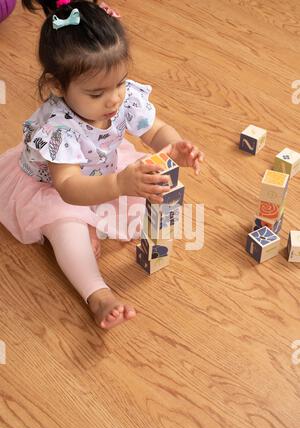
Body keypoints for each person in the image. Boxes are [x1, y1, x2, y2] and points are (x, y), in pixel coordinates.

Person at [0, 0, 204, 329]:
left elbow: (155, 130)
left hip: (104, 168)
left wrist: (175, 146)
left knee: (155, 184)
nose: (114, 99)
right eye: (96, 94)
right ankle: (97, 294)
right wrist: (119, 185)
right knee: (67, 229)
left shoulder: (120, 99)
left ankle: (97, 219)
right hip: (52, 187)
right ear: (58, 87)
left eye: (121, 83)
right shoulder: (58, 128)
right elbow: (68, 187)